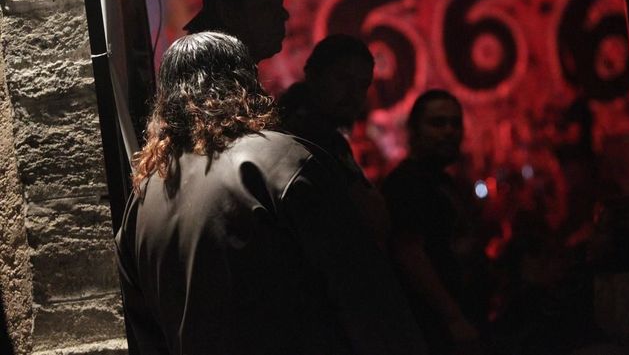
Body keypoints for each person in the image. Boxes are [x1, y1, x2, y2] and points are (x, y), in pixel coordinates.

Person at [116, 32, 427, 355]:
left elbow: (144, 332)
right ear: (246, 83)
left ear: (166, 98)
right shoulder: (282, 161)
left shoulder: (143, 198)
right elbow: (362, 291)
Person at [382, 89, 486, 354]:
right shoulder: (407, 182)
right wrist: (453, 318)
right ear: (414, 130)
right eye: (438, 123)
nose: (449, 131)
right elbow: (409, 252)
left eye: (455, 123)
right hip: (430, 330)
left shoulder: (442, 180)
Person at [279, 34, 390, 248]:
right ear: (314, 76)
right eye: (342, 79)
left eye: (362, 85)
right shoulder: (299, 140)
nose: (354, 94)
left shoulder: (331, 140)